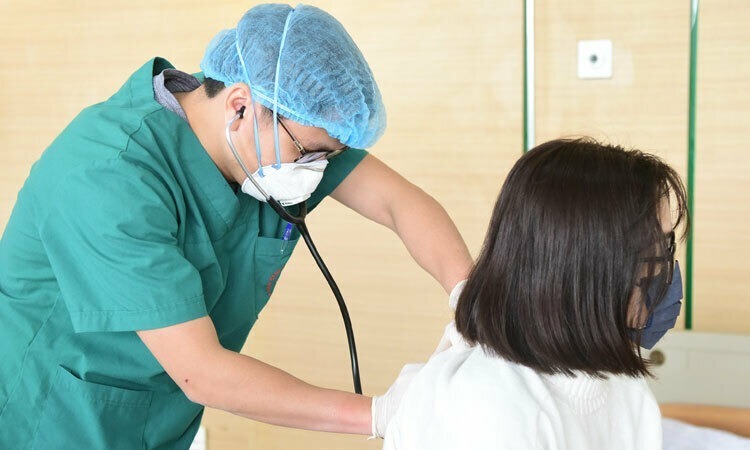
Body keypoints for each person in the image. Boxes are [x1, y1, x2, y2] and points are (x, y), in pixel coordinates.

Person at [0, 4, 472, 448]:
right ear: (240, 106)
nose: (316, 171)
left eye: (328, 157)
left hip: (154, 423)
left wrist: (469, 298)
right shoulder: (108, 177)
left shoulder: (270, 137)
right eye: (308, 153)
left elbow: (397, 203)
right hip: (49, 420)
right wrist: (382, 415)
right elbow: (201, 372)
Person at [382, 138, 689, 449]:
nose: (665, 271)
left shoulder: (627, 390)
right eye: (656, 251)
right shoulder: (492, 413)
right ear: (588, 265)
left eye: (667, 246)